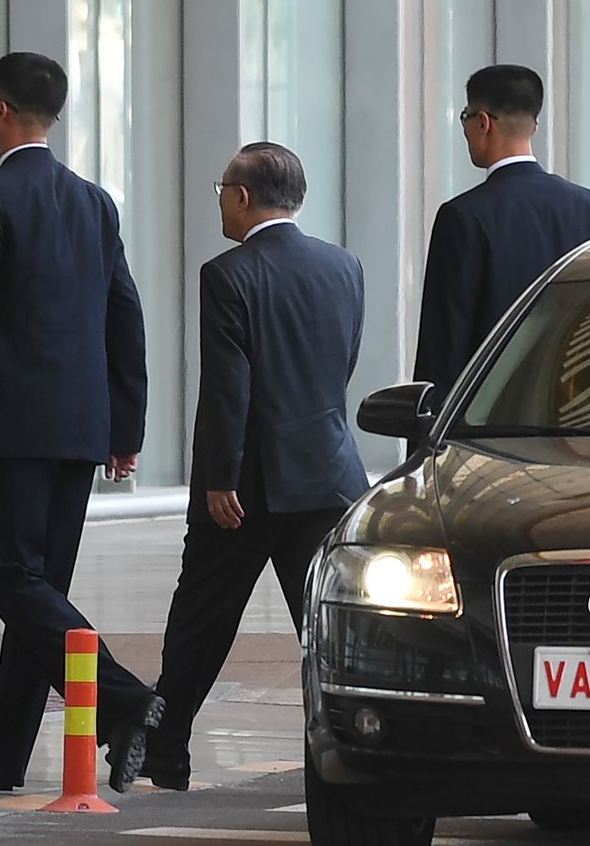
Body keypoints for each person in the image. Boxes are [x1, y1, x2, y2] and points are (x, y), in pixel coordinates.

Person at [0, 51, 161, 794]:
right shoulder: (96, 202)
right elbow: (126, 313)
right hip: (81, 427)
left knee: (12, 580)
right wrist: (127, 425)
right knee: (41, 592)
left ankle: (126, 702)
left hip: (10, 426)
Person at [142, 142, 369, 791]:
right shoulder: (344, 266)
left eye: (222, 189)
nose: (220, 200)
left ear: (242, 197)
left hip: (244, 488)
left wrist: (220, 477)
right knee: (327, 626)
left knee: (202, 618)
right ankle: (350, 753)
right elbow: (340, 368)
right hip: (327, 476)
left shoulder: (229, 273)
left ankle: (167, 750)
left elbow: (228, 385)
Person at [414, 63, 590, 408]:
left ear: (483, 122)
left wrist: (424, 446)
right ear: (533, 126)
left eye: (465, 117)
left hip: (489, 429)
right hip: (574, 418)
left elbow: (443, 349)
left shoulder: (462, 217)